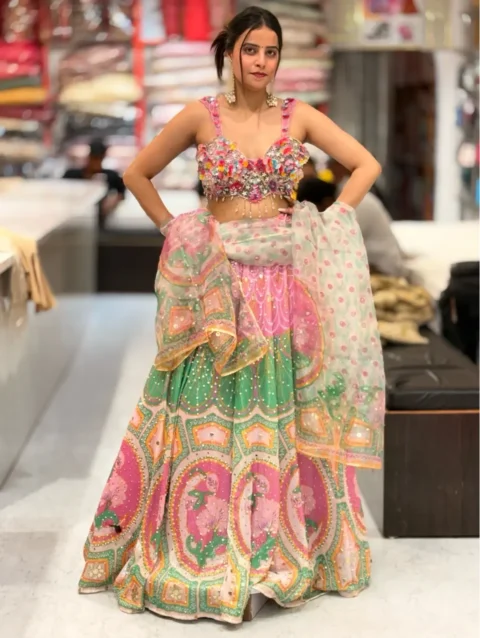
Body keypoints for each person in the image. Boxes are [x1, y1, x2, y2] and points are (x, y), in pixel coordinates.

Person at [79, 6, 385, 625]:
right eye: (251, 50)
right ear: (229, 53)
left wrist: (329, 222)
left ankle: (278, 547)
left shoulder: (298, 115)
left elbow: (366, 165)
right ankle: (205, 544)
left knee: (281, 410)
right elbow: (137, 172)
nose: (261, 62)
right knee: (203, 409)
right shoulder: (201, 115)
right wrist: (175, 230)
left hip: (281, 282)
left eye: (271, 51)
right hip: (217, 284)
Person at [328, 157, 407, 277]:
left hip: (381, 270)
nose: (328, 168)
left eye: (333, 164)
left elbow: (339, 243)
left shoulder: (356, 199)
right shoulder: (356, 195)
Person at [63, 138, 126, 224]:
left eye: (99, 158)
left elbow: (121, 192)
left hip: (100, 219)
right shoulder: (72, 174)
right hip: (74, 218)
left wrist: (111, 203)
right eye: (94, 158)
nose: (96, 162)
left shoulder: (111, 176)